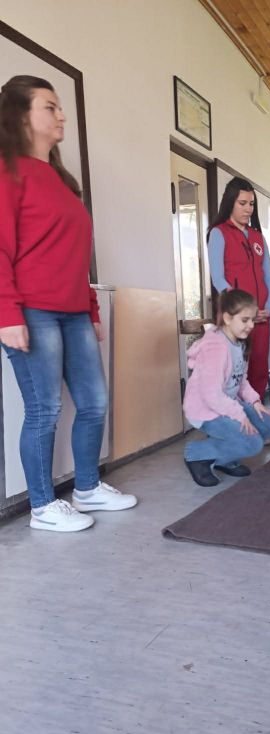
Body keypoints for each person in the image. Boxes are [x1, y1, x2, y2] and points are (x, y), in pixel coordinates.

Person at [0, 75, 137, 532]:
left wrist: (91, 309)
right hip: (31, 310)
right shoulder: (7, 172)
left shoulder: (62, 181)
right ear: (21, 116)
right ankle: (42, 506)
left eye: (61, 107)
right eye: (50, 106)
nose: (61, 115)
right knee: (44, 409)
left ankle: (87, 487)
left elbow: (76, 254)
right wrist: (6, 314)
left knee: (94, 403)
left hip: (74, 311)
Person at [182, 289, 270, 487]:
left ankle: (225, 459)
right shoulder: (216, 347)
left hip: (226, 404)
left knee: (269, 424)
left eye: (252, 320)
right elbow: (211, 395)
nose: (251, 325)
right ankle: (196, 454)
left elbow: (240, 380)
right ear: (227, 318)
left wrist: (255, 402)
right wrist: (240, 416)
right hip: (206, 410)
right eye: (245, 320)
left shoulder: (238, 343)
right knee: (253, 443)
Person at [208, 176, 270, 400]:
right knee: (232, 370)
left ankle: (255, 413)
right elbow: (218, 278)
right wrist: (243, 310)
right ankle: (234, 415)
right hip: (234, 317)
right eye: (242, 203)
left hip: (261, 317)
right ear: (230, 202)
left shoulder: (258, 238)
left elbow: (269, 277)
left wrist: (269, 308)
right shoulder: (218, 233)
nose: (248, 209)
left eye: (251, 204)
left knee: (259, 369)